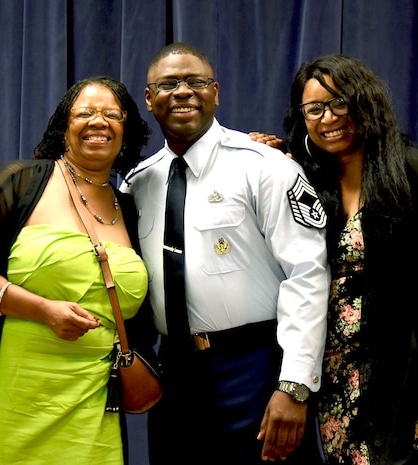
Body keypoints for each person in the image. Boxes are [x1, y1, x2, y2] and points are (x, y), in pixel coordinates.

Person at [0, 76, 155, 465]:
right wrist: (43, 310)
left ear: (126, 129)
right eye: (85, 113)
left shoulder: (129, 204)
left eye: (112, 113)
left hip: (90, 406)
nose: (98, 121)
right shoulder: (23, 182)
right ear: (64, 127)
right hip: (9, 396)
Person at [259, 53, 418, 464]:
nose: (328, 117)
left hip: (402, 374)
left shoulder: (412, 171)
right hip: (334, 374)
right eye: (315, 108)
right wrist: (263, 152)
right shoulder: (307, 175)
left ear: (364, 102)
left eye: (339, 103)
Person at [120, 42, 330, 464]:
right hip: (174, 372)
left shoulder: (265, 166)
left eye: (195, 82)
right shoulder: (137, 185)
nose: (182, 92)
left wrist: (294, 385)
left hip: (255, 366)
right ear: (148, 99)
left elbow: (308, 274)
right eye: (168, 84)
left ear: (216, 92)